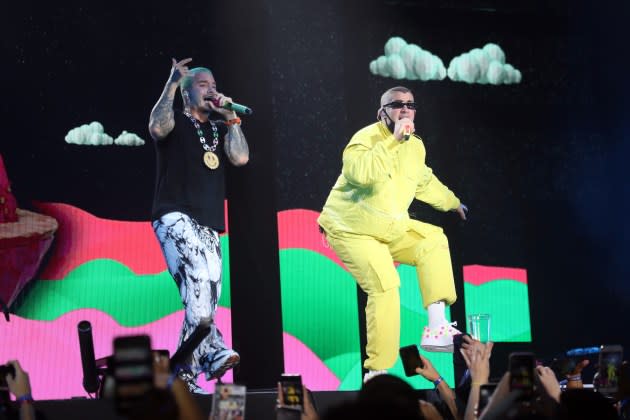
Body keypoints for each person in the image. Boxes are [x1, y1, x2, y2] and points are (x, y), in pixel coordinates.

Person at [317, 86, 467, 382]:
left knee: (433, 239)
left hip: (389, 228)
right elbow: (359, 173)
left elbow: (424, 181)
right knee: (385, 284)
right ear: (382, 112)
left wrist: (453, 203)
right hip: (351, 229)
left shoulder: (416, 146)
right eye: (397, 104)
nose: (405, 109)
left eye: (410, 104)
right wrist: (394, 141)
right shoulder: (365, 139)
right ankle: (377, 372)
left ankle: (438, 328)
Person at [148, 58, 249, 393]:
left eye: (214, 84)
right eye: (204, 84)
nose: (212, 89)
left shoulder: (218, 130)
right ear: (188, 94)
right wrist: (172, 83)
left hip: (209, 223)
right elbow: (156, 128)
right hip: (174, 214)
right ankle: (212, 349)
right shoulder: (175, 121)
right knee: (198, 280)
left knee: (206, 295)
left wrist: (232, 118)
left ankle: (186, 370)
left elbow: (241, 158)